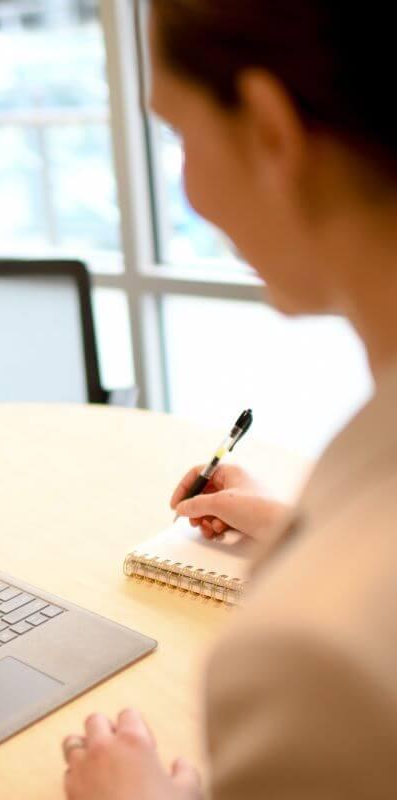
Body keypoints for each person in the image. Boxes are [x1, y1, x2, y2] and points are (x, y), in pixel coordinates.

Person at [62, 2, 397, 798]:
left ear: (270, 129)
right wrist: (295, 531)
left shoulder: (313, 659)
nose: (189, 194)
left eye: (179, 136)